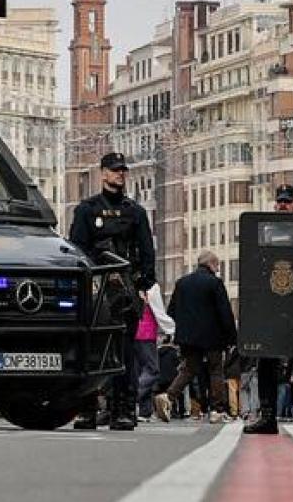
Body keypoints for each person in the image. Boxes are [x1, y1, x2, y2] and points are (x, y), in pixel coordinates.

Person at [68, 152, 159, 431]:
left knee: (125, 352)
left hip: (125, 289)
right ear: (103, 173)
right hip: (97, 287)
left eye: (122, 170)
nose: (120, 174)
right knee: (90, 349)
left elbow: (147, 252)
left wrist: (142, 285)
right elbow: (77, 249)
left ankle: (123, 409)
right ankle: (87, 409)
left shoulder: (135, 212)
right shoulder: (87, 210)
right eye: (115, 170)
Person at [244, 184, 293, 436]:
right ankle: (268, 416)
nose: (283, 205)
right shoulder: (266, 232)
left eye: (288, 201)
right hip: (272, 307)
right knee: (266, 360)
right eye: (280, 201)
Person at [159, 251, 237, 423]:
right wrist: (231, 338)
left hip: (188, 337)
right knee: (215, 369)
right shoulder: (215, 283)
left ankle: (168, 396)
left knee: (189, 369)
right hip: (212, 336)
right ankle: (217, 410)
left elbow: (171, 311)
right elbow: (225, 313)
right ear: (211, 264)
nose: (218, 269)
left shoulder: (182, 283)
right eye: (217, 266)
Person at [136, 282, 175, 421]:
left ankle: (145, 411)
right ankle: (134, 395)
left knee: (142, 370)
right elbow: (159, 313)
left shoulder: (134, 289)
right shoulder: (152, 289)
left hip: (136, 333)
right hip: (147, 334)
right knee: (152, 370)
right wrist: (172, 328)